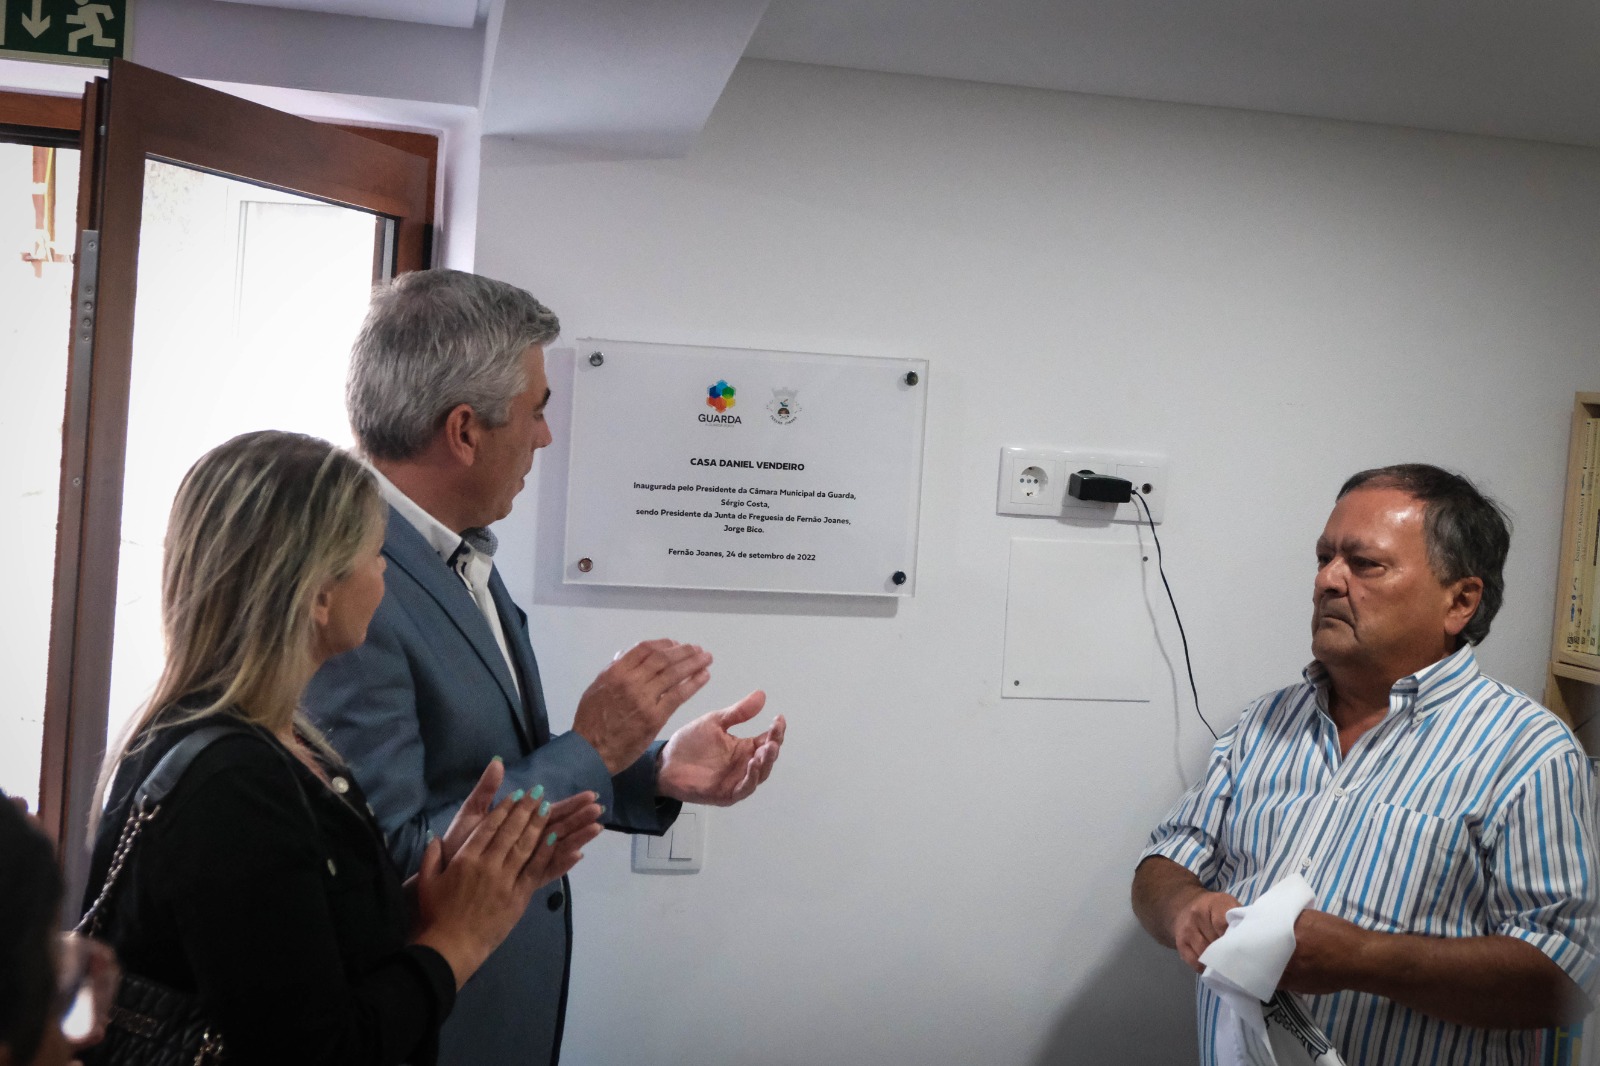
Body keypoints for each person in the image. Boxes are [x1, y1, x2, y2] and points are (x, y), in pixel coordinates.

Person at [303, 269, 787, 1066]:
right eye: (536, 410)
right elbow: (393, 861)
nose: (544, 437)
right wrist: (593, 746)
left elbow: (488, 771)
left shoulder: (448, 552)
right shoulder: (356, 582)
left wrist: (645, 769)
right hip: (427, 1027)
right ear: (464, 431)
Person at [84, 430, 604, 1066]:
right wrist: (459, 938)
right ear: (318, 594)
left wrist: (441, 887)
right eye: (374, 553)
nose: (385, 571)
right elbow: (320, 1048)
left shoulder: (287, 744)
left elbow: (301, 947)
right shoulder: (232, 786)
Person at [1132, 463, 1598, 1065]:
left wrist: (1366, 959)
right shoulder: (1264, 721)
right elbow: (1165, 860)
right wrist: (1184, 911)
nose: (1327, 580)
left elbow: (1567, 975)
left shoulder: (1527, 751)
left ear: (1460, 601)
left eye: (1365, 563)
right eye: (1324, 557)